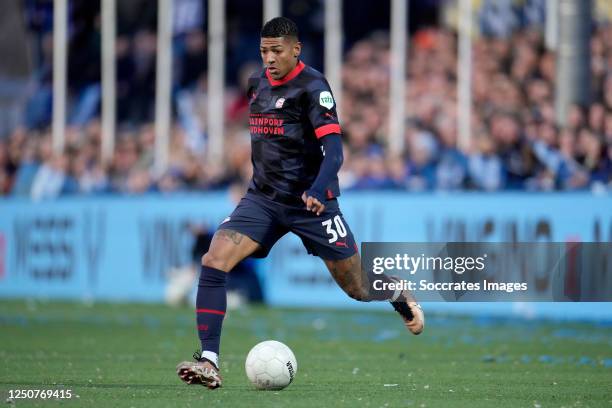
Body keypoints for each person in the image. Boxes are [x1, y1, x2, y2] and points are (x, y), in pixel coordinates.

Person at [176, 17, 424, 389]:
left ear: (296, 49)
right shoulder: (256, 84)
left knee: (357, 287)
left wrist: (318, 188)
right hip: (262, 199)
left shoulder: (313, 87)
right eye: (264, 51)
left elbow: (335, 152)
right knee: (214, 259)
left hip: (313, 204)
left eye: (277, 51)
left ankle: (395, 290)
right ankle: (209, 360)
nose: (269, 58)